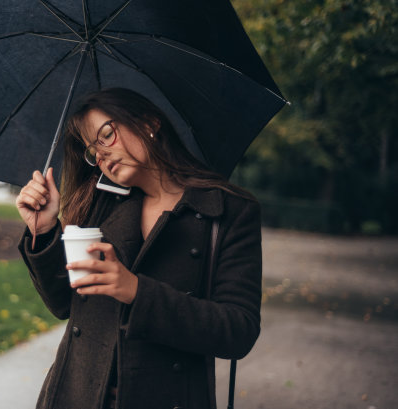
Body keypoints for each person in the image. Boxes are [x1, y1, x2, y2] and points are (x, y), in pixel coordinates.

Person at [16, 88, 262, 409]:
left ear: (149, 122)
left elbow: (238, 330)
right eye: (92, 151)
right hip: (76, 396)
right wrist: (45, 230)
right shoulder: (99, 204)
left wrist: (137, 291)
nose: (101, 156)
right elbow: (64, 304)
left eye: (106, 135)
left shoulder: (229, 210)